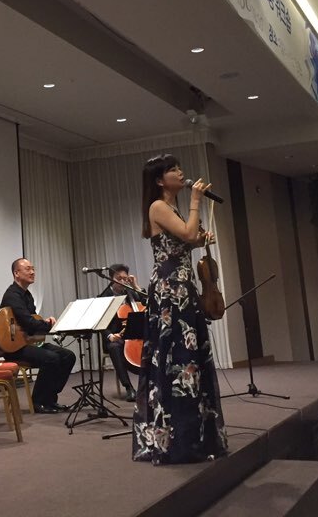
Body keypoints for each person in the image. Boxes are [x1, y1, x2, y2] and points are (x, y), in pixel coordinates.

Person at [132, 154, 228, 464]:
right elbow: (186, 234)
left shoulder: (172, 208)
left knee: (189, 359)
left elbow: (187, 240)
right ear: (160, 180)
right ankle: (176, 440)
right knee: (176, 360)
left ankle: (195, 434)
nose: (180, 172)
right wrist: (196, 200)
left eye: (178, 167)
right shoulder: (158, 206)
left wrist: (201, 240)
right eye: (173, 170)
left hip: (183, 286)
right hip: (170, 289)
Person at [0, 258, 77, 414]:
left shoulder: (27, 295)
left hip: (28, 342)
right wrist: (50, 325)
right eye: (28, 269)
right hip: (15, 348)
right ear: (16, 273)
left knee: (68, 356)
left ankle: (50, 398)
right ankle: (38, 401)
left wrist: (44, 323)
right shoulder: (12, 295)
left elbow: (32, 321)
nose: (32, 272)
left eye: (33, 269)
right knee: (51, 358)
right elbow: (29, 323)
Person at [97, 264, 143, 402]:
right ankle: (129, 388)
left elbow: (147, 302)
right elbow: (100, 322)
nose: (123, 281)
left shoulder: (131, 293)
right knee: (115, 347)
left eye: (125, 278)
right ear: (111, 279)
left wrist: (135, 286)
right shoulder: (103, 297)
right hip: (115, 337)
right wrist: (110, 336)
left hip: (134, 335)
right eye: (119, 278)